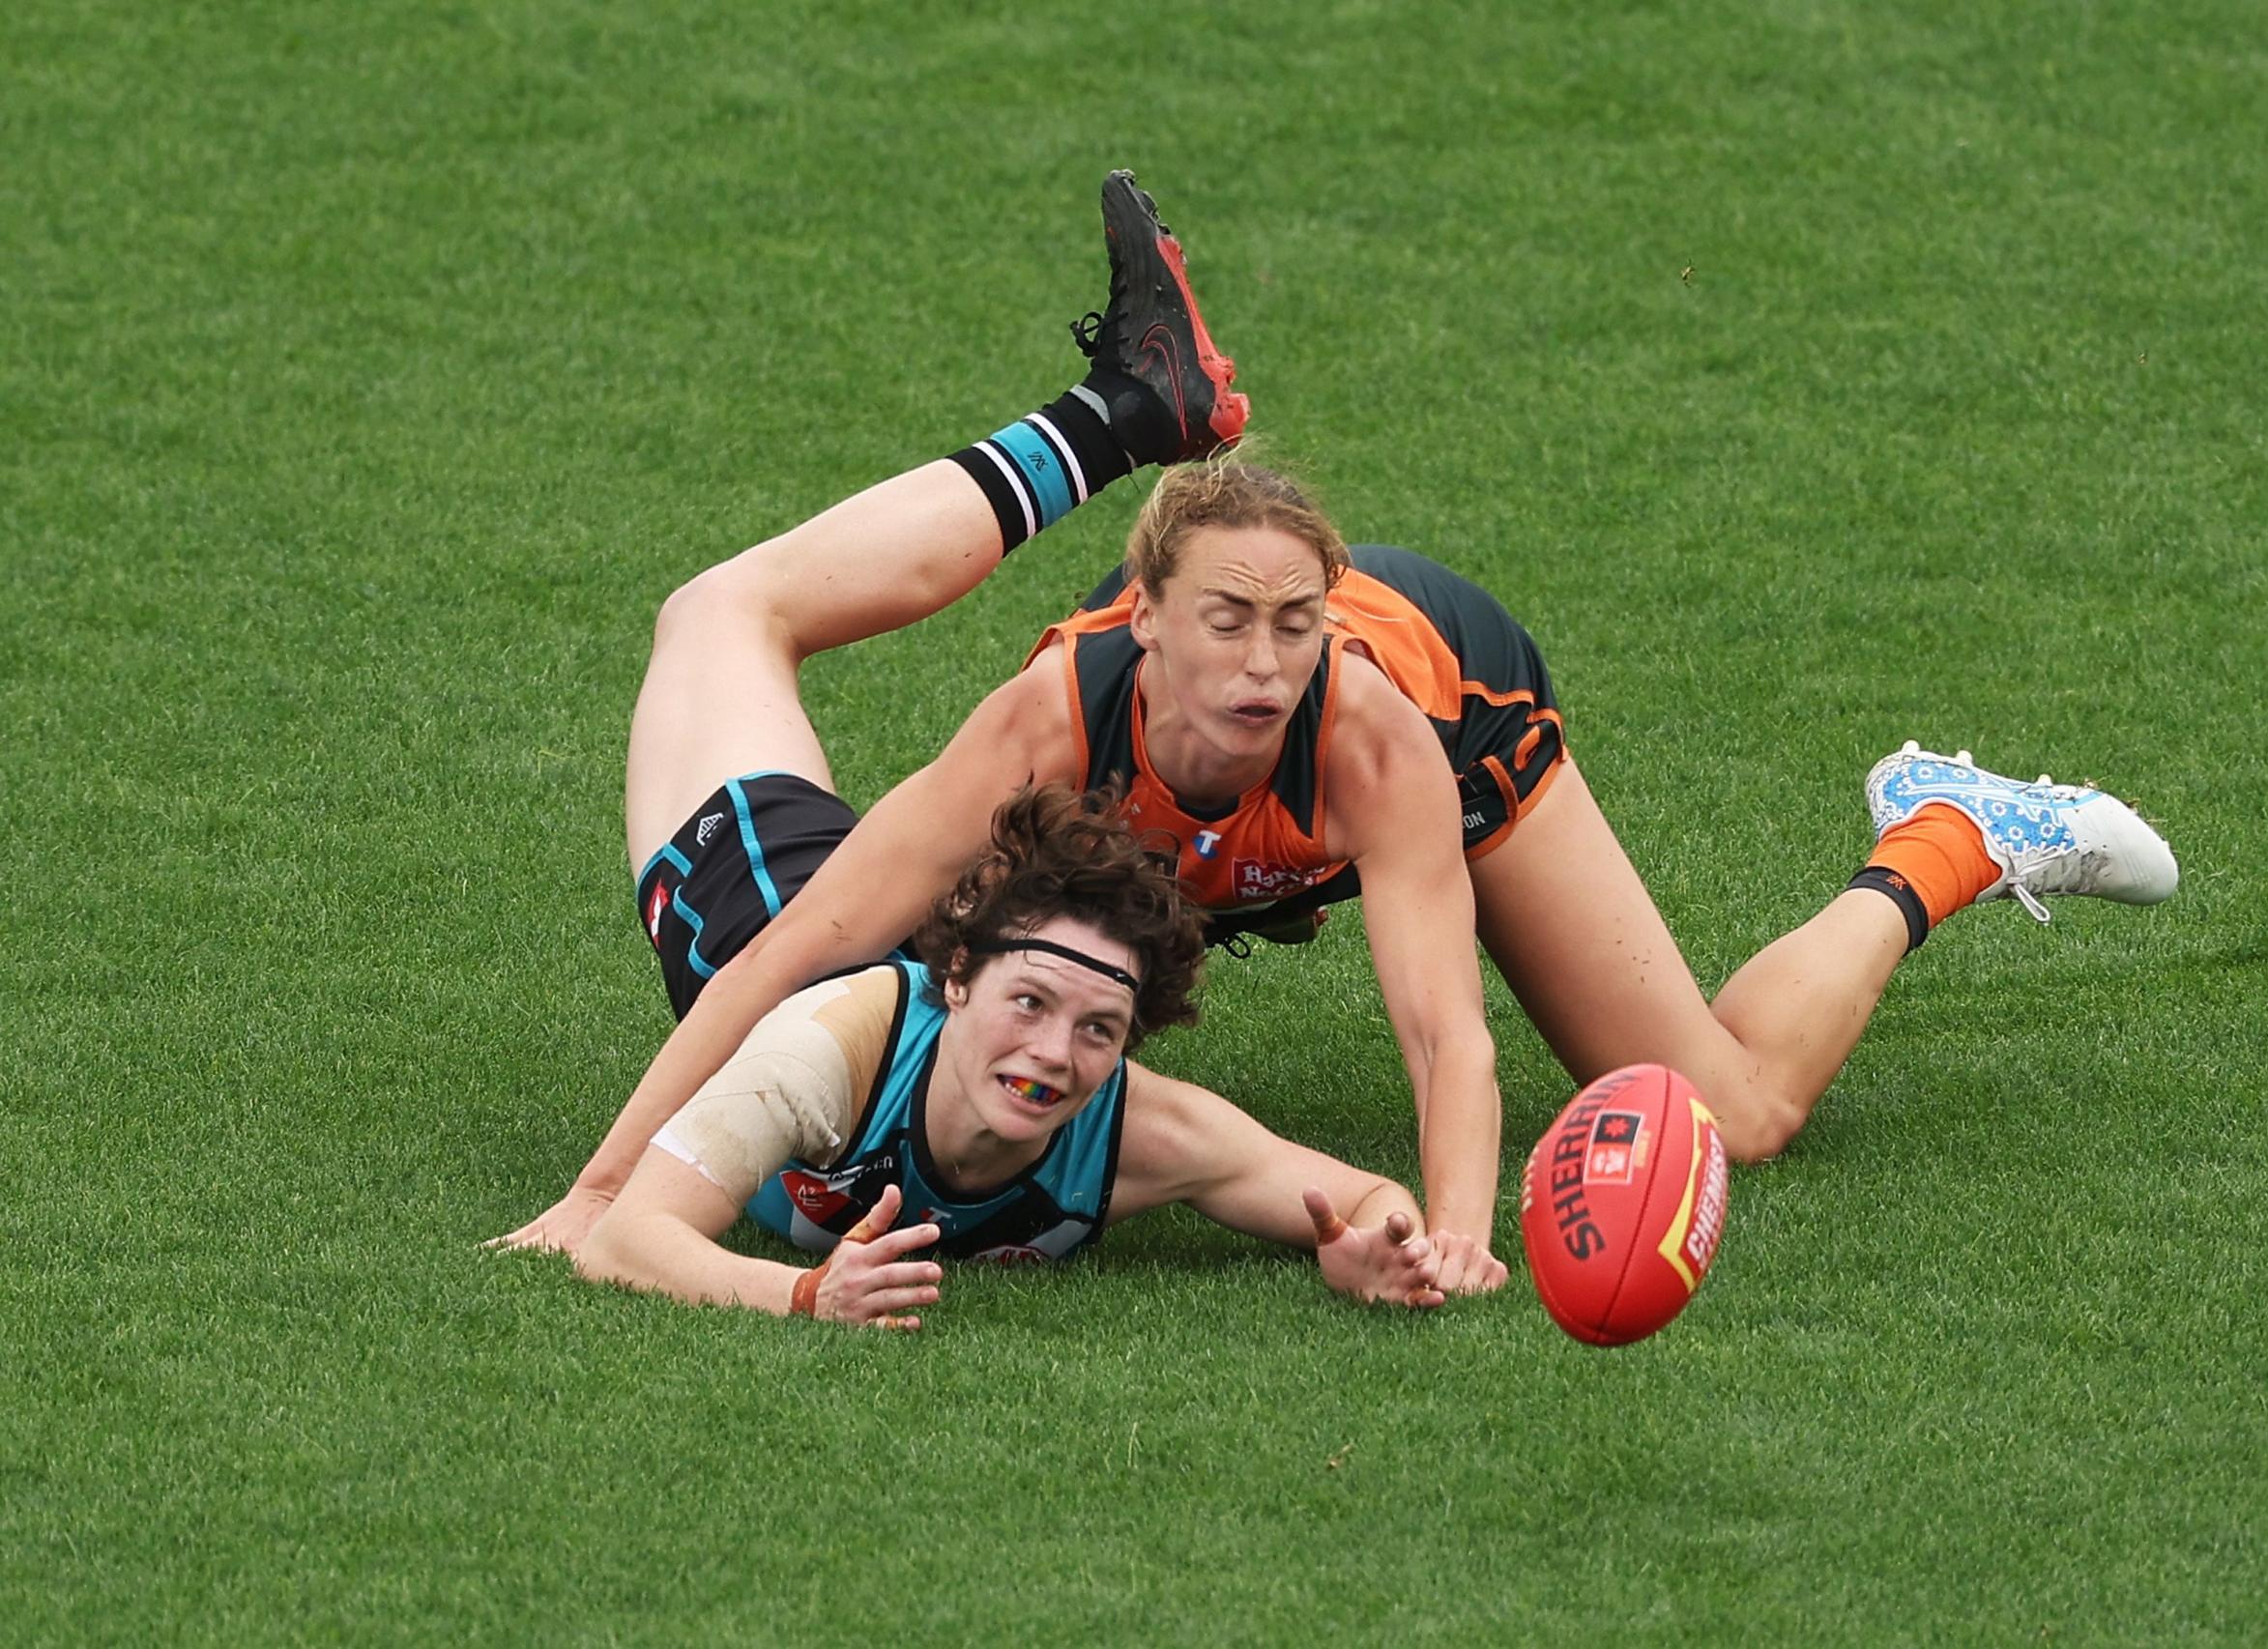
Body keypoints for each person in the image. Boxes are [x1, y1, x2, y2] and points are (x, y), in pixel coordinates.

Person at [497, 171, 2177, 1293]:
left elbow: (1446, 1036)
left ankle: (1949, 834)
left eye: (1292, 630)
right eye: (1227, 625)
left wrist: (1460, 1239)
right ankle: (1122, 422)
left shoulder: (1368, 733)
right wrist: (606, 1183)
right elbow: (793, 948)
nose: (1264, 665)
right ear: (1143, 617)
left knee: (1726, 1109)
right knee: (799, 789)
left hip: (1460, 678)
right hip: (1131, 828)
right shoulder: (1052, 723)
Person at [566, 784, 1447, 1325]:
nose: (1054, 1054)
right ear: (953, 977)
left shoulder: (1143, 1132)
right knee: (723, 618)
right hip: (748, 895)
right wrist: (803, 1296)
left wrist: (1376, 1251)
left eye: (1099, 1027)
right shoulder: (832, 1052)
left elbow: (1368, 1199)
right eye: (1028, 1002)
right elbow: (626, 1237)